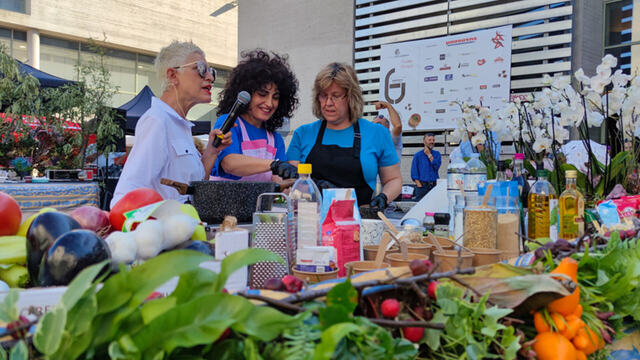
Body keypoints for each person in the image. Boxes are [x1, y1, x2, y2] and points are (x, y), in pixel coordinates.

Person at [111, 41, 231, 206]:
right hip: (166, 229)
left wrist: (212, 151)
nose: (210, 77)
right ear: (173, 75)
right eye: (201, 69)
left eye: (211, 71)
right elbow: (128, 193)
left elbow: (193, 188)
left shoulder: (180, 126)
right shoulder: (157, 120)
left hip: (186, 227)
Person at [287, 62, 402, 209]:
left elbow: (394, 179)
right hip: (311, 223)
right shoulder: (303, 134)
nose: (328, 103)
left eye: (336, 96)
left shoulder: (377, 133)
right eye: (323, 96)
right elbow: (291, 181)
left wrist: (384, 197)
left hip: (359, 222)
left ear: (350, 97)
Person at [210, 50, 299, 183]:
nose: (269, 103)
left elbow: (278, 180)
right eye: (262, 94)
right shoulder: (229, 122)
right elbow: (229, 164)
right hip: (223, 203)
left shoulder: (275, 139)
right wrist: (273, 165)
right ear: (245, 93)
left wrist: (306, 182)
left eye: (275, 97)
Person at [411, 133, 441, 200]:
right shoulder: (417, 155)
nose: (432, 142)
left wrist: (429, 155)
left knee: (434, 207)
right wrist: (420, 186)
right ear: (424, 142)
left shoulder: (437, 154)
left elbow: (436, 166)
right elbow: (414, 173)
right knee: (421, 208)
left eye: (433, 140)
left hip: (434, 185)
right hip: (422, 186)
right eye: (429, 140)